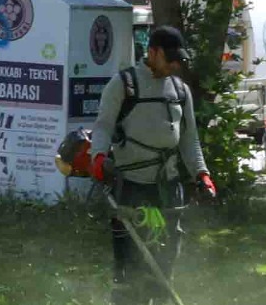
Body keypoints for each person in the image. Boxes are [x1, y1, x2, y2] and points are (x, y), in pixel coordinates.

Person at [92, 25, 216, 286]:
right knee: (129, 261)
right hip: (131, 187)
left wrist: (202, 174)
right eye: (169, 58)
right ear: (152, 51)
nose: (174, 65)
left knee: (166, 258)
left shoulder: (180, 91)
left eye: (178, 60)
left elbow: (189, 138)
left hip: (168, 188)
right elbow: (103, 126)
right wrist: (98, 158)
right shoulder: (123, 85)